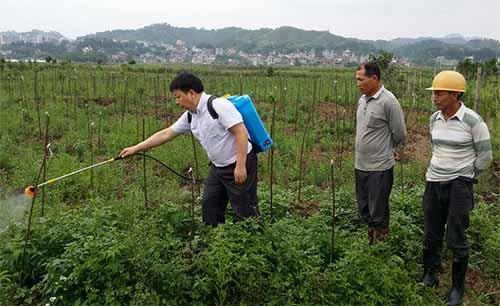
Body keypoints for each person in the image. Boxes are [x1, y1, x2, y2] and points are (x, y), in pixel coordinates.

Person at [120, 72, 260, 226]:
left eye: (178, 96)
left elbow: (241, 132)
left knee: (245, 209)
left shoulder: (218, 105)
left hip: (239, 162)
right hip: (218, 167)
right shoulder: (191, 115)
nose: (177, 101)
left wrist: (240, 167)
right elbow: (166, 134)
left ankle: (255, 240)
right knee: (210, 205)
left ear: (191, 93)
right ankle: (214, 240)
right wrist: (136, 148)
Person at [421, 70, 492, 306]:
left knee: (456, 237)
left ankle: (456, 289)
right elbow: (435, 148)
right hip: (434, 182)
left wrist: (466, 177)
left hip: (459, 185)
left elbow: (485, 156)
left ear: (455, 94)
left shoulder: (473, 121)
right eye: (434, 93)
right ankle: (430, 275)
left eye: (439, 93)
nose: (435, 97)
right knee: (431, 233)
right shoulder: (434, 119)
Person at [354, 61, 407, 244]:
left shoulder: (389, 101)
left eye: (361, 79)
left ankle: (381, 246)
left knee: (379, 210)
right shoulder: (362, 100)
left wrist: (391, 149)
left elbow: (399, 133)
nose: (358, 83)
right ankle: (371, 242)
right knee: (365, 207)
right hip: (360, 164)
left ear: (374, 78)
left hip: (380, 167)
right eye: (356, 80)